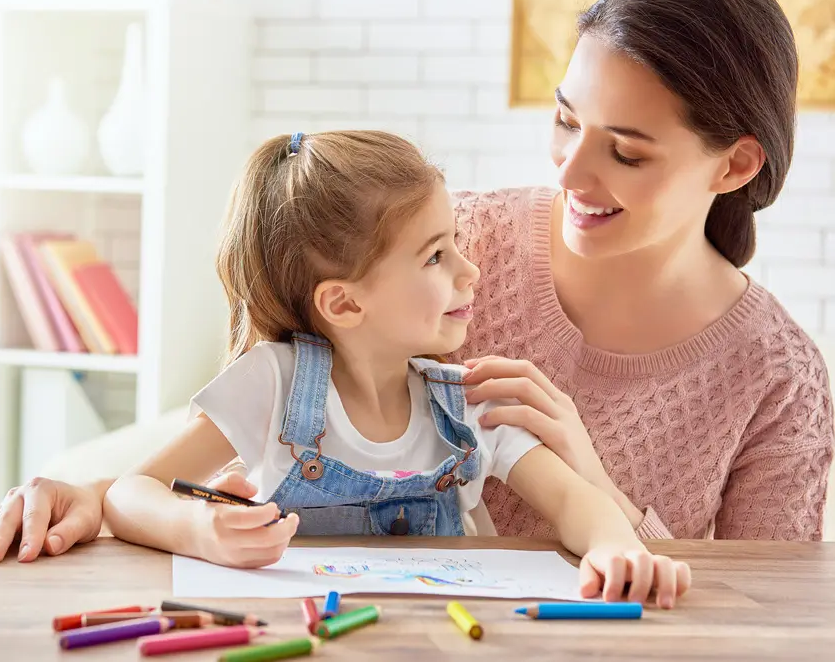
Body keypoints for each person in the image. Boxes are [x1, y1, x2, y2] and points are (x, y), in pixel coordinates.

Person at [0, 0, 832, 566]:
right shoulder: (455, 240)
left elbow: (770, 607)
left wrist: (600, 495)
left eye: (626, 151)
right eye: (565, 119)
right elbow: (262, 415)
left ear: (736, 163)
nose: (569, 170)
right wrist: (92, 495)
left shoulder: (778, 377)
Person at [106, 129, 691, 606]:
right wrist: (200, 531)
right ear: (344, 302)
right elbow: (130, 493)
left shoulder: (468, 401)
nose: (470, 271)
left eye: (456, 243)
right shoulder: (273, 382)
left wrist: (615, 547)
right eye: (436, 255)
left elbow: (569, 502)